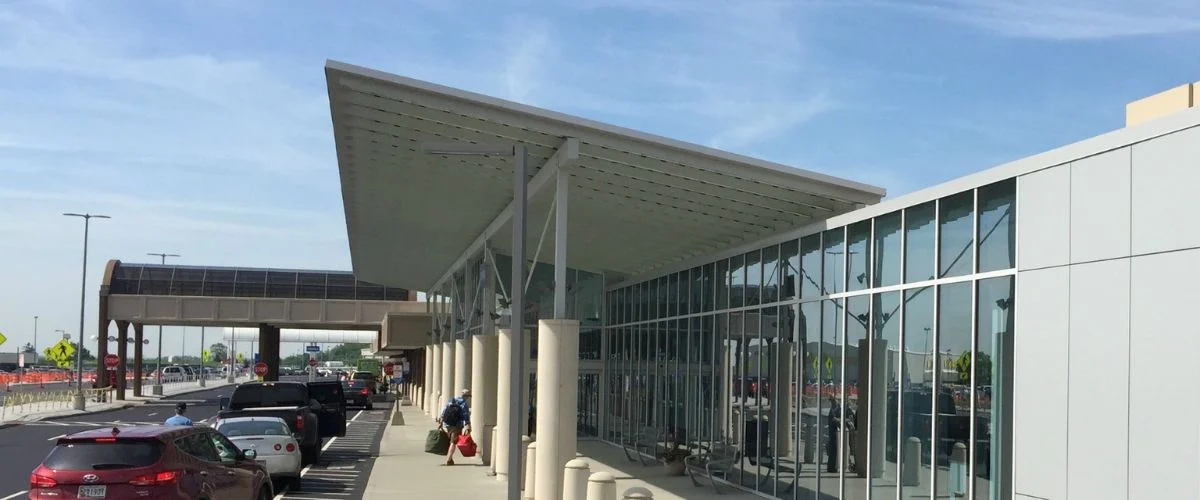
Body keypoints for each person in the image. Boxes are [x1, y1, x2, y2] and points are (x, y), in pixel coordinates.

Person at [437, 389, 472, 465]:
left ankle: (450, 458)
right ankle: (449, 459)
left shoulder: (452, 400)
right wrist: (468, 426)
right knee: (453, 442)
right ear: (467, 396)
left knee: (451, 441)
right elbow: (466, 416)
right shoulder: (464, 404)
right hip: (457, 425)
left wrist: (441, 422)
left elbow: (444, 410)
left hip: (447, 424)